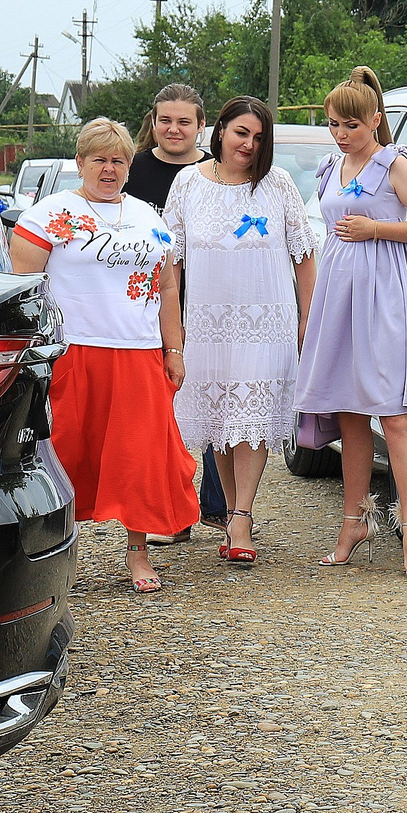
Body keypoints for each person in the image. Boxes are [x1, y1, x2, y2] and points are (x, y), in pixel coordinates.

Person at [7, 118, 198, 592]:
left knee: (138, 458)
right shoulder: (48, 214)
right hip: (72, 354)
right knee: (65, 455)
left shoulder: (148, 218)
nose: (108, 169)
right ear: (80, 163)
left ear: (130, 166)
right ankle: (53, 556)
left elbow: (168, 285)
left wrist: (173, 347)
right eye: (99, 159)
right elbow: (22, 290)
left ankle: (138, 552)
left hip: (138, 354)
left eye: (118, 160)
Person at [297, 66, 407, 578]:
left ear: (374, 120)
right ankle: (352, 523)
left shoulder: (392, 164)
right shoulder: (326, 168)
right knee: (350, 412)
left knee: (397, 417)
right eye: (333, 124)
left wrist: (377, 227)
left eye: (351, 126)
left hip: (386, 294)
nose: (341, 135)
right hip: (340, 293)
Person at [161, 97, 321, 567]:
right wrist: (172, 332)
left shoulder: (279, 184)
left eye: (258, 137)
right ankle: (233, 513)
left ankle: (243, 517)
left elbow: (304, 255)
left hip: (267, 321)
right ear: (220, 131)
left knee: (250, 418)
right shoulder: (188, 182)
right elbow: (171, 263)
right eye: (241, 133)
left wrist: (306, 318)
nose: (249, 145)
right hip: (208, 324)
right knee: (221, 423)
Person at [123, 82, 225, 535]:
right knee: (164, 414)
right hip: (147, 309)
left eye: (185, 121)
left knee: (215, 404)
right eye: (165, 119)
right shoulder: (132, 171)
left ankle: (219, 507)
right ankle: (172, 511)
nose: (173, 128)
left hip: (210, 305)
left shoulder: (218, 172)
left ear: (202, 126)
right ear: (153, 122)